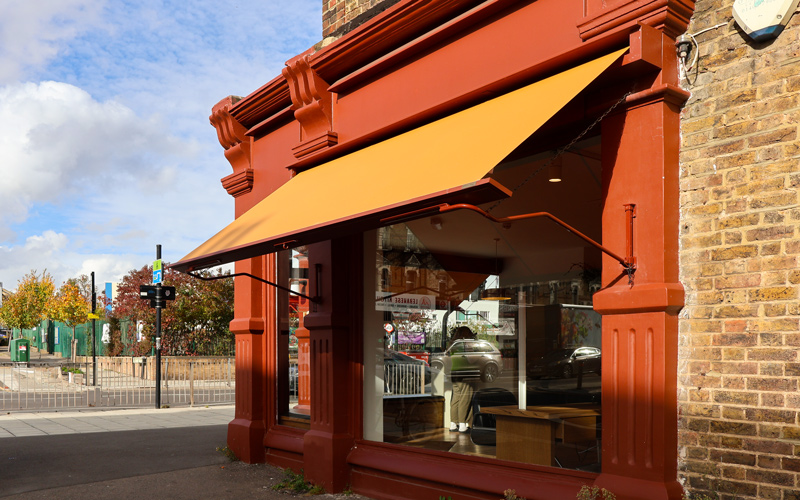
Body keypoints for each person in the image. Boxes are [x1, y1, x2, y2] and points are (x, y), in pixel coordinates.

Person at [448, 326, 475, 433]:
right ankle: (463, 425)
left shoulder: (453, 344)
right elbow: (471, 359)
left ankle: (453, 424)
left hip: (455, 372)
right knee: (465, 398)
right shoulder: (466, 344)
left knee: (456, 398)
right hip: (465, 372)